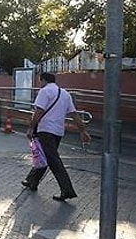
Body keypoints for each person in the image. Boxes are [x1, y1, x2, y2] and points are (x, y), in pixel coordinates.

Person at [22, 72, 90, 202]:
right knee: (45, 156)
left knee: (53, 161)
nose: (40, 83)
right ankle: (32, 180)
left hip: (45, 130)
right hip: (58, 131)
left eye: (40, 81)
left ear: (43, 80)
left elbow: (38, 111)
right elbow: (74, 114)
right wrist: (82, 131)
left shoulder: (44, 91)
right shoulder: (65, 94)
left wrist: (31, 127)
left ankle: (67, 190)